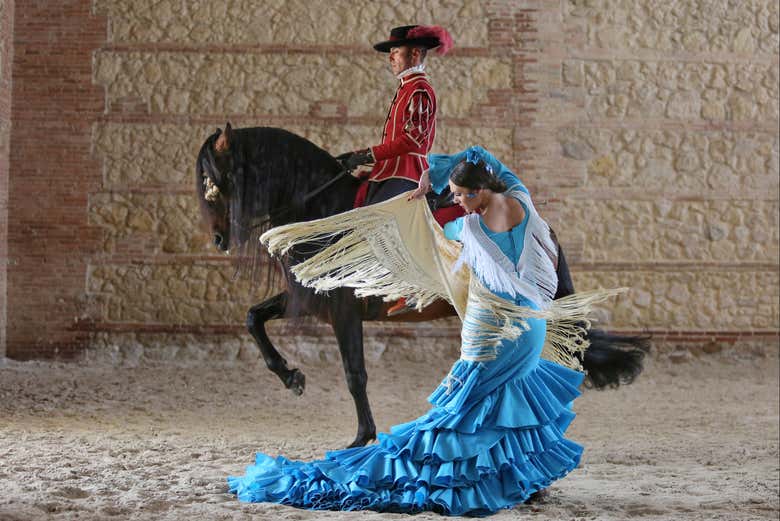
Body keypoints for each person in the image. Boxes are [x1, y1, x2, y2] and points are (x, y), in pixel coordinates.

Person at [229, 146, 600, 515]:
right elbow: (479, 154)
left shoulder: (471, 227)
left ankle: (448, 479)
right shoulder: (521, 197)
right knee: (507, 402)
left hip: (492, 334)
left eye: (457, 196)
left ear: (478, 193)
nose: (456, 202)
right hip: (532, 330)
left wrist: (427, 181)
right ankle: (513, 477)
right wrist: (442, 177)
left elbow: (440, 259)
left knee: (458, 417)